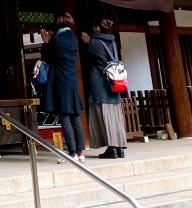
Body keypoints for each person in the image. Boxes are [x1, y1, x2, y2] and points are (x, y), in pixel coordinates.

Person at [39, 12, 85, 163]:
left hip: (60, 80)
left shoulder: (56, 40)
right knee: (75, 117)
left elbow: (47, 57)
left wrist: (46, 42)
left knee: (64, 117)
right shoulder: (73, 39)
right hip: (72, 80)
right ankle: (80, 153)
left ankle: (71, 153)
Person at [82, 18, 128, 159]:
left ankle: (111, 148)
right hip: (113, 83)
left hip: (100, 83)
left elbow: (86, 59)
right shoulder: (112, 42)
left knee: (104, 114)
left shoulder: (94, 43)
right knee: (115, 115)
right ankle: (120, 148)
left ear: (96, 28)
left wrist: (86, 44)